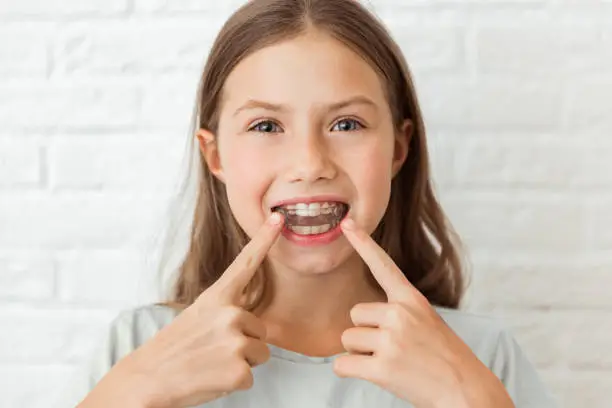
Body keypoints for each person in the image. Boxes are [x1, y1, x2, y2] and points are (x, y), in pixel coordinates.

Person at [57, 0, 559, 407]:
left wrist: (474, 400)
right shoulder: (138, 347)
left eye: (347, 124)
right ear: (215, 156)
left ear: (398, 150)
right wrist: (135, 391)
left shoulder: (482, 355)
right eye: (266, 127)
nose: (310, 163)